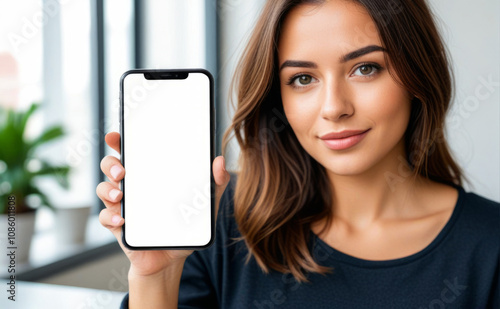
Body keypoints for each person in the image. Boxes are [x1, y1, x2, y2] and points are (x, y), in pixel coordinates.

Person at [97, 0, 500, 308]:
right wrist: (156, 276)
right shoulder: (219, 225)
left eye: (365, 68)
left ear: (417, 73)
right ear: (279, 100)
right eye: (303, 79)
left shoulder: (490, 245)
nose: (334, 107)